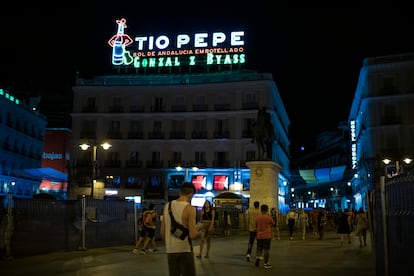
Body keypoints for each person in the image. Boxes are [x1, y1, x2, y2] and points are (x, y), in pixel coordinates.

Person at [160, 182, 202, 276]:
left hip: (170, 250)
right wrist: (199, 227)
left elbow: (162, 232)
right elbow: (192, 235)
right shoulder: (190, 209)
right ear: (191, 194)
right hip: (184, 249)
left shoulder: (167, 206)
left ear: (180, 192)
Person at [254, 204, 274, 269]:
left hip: (259, 235)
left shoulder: (257, 217)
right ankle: (266, 263)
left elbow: (256, 225)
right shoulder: (269, 217)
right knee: (266, 249)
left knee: (259, 248)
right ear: (267, 210)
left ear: (261, 210)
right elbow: (273, 223)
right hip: (267, 235)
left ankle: (257, 260)